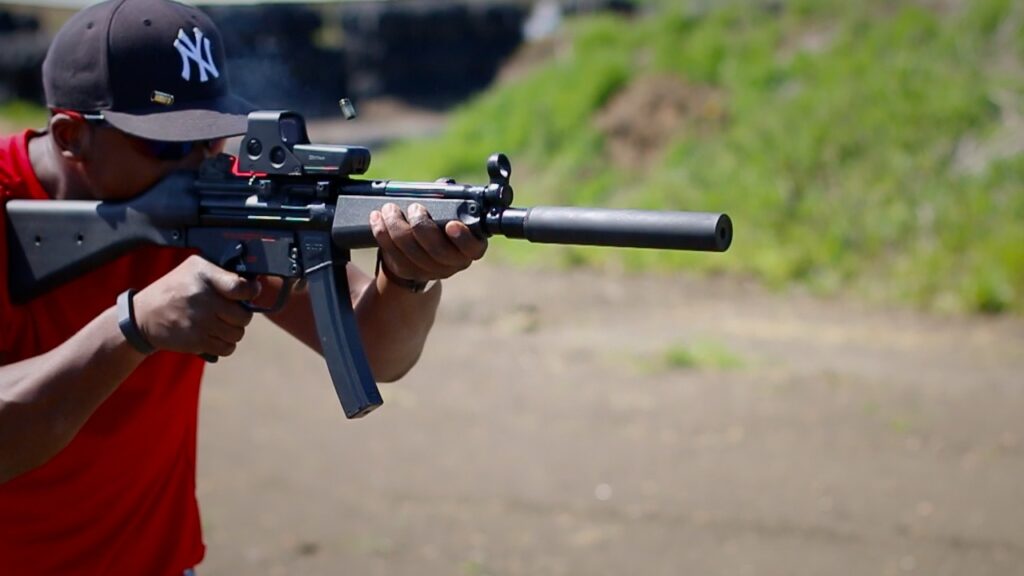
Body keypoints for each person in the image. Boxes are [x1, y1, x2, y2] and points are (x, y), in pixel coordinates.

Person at [0, 0, 486, 573]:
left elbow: (378, 351)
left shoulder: (217, 194)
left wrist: (406, 276)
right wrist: (132, 327)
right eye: (168, 143)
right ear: (70, 135)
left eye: (211, 137)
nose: (200, 163)